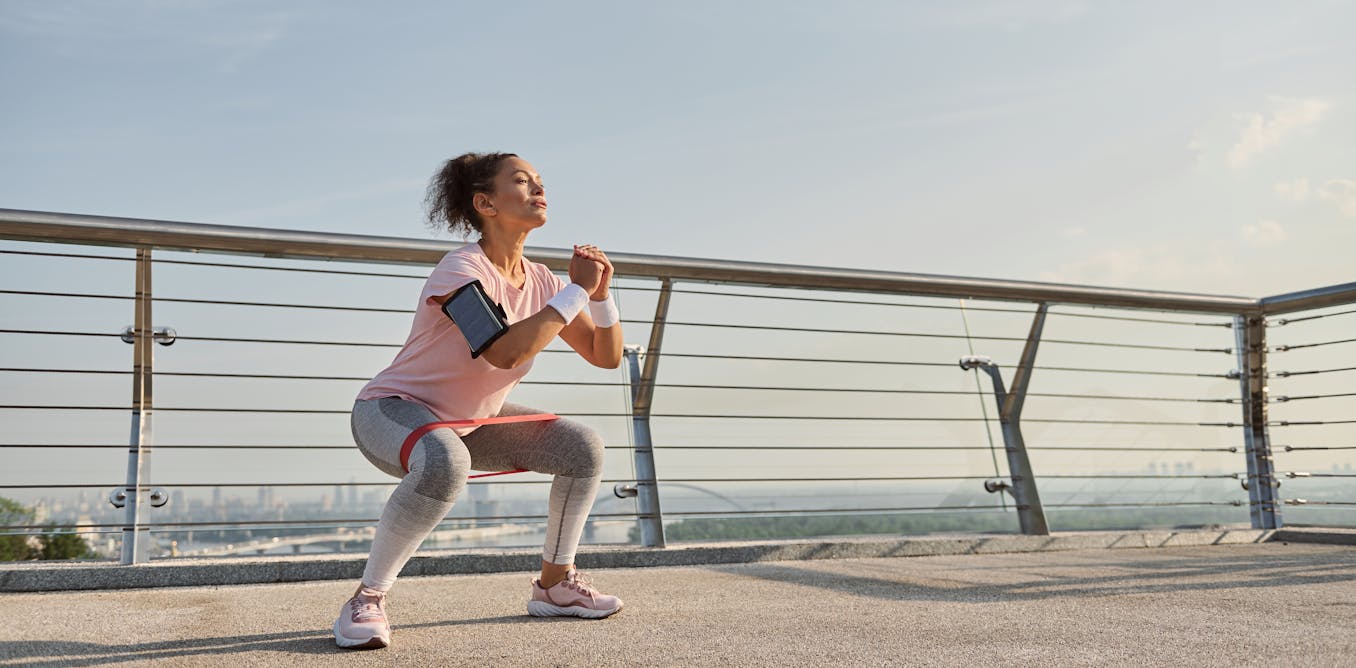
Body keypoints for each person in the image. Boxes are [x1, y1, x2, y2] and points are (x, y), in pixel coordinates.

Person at [334, 152, 625, 650]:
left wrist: (598, 295)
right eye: (522, 181)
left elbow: (606, 355)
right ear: (485, 202)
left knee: (581, 447)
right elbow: (505, 353)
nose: (538, 188)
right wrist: (575, 289)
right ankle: (366, 600)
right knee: (445, 461)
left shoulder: (543, 282)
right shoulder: (461, 270)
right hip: (391, 410)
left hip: (470, 421)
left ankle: (555, 586)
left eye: (539, 181)